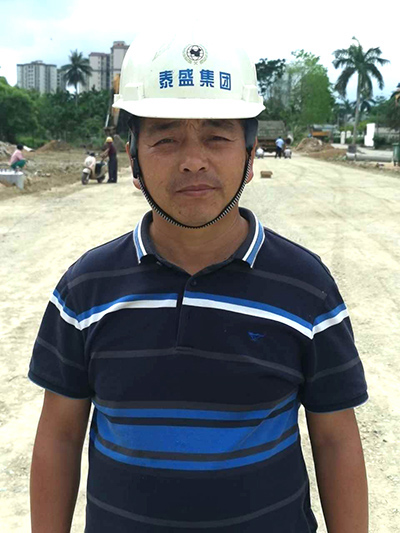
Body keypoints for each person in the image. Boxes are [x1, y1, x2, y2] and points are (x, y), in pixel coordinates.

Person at [29, 31, 368, 533]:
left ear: (251, 154)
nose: (193, 160)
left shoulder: (306, 287)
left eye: (217, 137)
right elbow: (59, 435)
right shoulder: (86, 290)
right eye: (166, 138)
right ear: (133, 157)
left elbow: (336, 439)